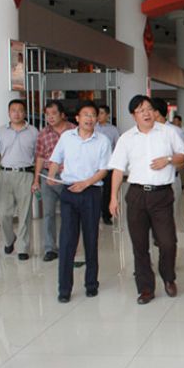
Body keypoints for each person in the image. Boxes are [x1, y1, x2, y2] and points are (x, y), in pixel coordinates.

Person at [109, 95, 184, 305]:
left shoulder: (168, 132)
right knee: (139, 244)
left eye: (149, 109)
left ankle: (168, 277)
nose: (146, 113)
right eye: (141, 110)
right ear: (133, 115)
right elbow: (118, 170)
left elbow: (183, 156)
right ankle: (145, 288)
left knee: (168, 242)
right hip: (136, 194)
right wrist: (113, 198)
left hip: (162, 194)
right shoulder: (126, 138)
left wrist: (168, 160)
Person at [47, 101, 111, 302]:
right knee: (67, 241)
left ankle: (91, 284)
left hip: (91, 192)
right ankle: (64, 289)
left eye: (93, 115)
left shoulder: (103, 141)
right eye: (85, 115)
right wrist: (51, 174)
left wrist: (85, 183)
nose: (89, 118)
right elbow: (55, 159)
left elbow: (104, 170)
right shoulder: (67, 137)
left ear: (97, 119)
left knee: (91, 239)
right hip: (69, 192)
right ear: (77, 118)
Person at [0, 99, 38, 260]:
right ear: (9, 113)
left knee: (25, 213)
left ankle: (23, 248)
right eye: (13, 110)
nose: (17, 113)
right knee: (3, 213)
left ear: (25, 113)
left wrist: (37, 178)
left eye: (20, 110)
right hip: (5, 175)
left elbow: (38, 156)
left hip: (26, 174)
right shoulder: (1, 132)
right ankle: (10, 239)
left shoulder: (33, 131)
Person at [32, 100, 75, 262]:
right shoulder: (43, 133)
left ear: (62, 115)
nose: (50, 117)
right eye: (47, 114)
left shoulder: (74, 131)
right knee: (48, 213)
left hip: (68, 178)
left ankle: (68, 246)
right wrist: (36, 180)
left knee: (68, 214)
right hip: (48, 177)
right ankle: (50, 248)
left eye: (54, 113)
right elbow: (40, 158)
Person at [95, 104, 119, 225]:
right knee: (94, 190)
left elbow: (118, 147)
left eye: (102, 113)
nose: (99, 116)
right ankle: (94, 213)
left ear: (107, 115)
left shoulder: (113, 130)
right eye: (98, 113)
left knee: (107, 191)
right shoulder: (92, 128)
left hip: (108, 166)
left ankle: (106, 215)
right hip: (94, 166)